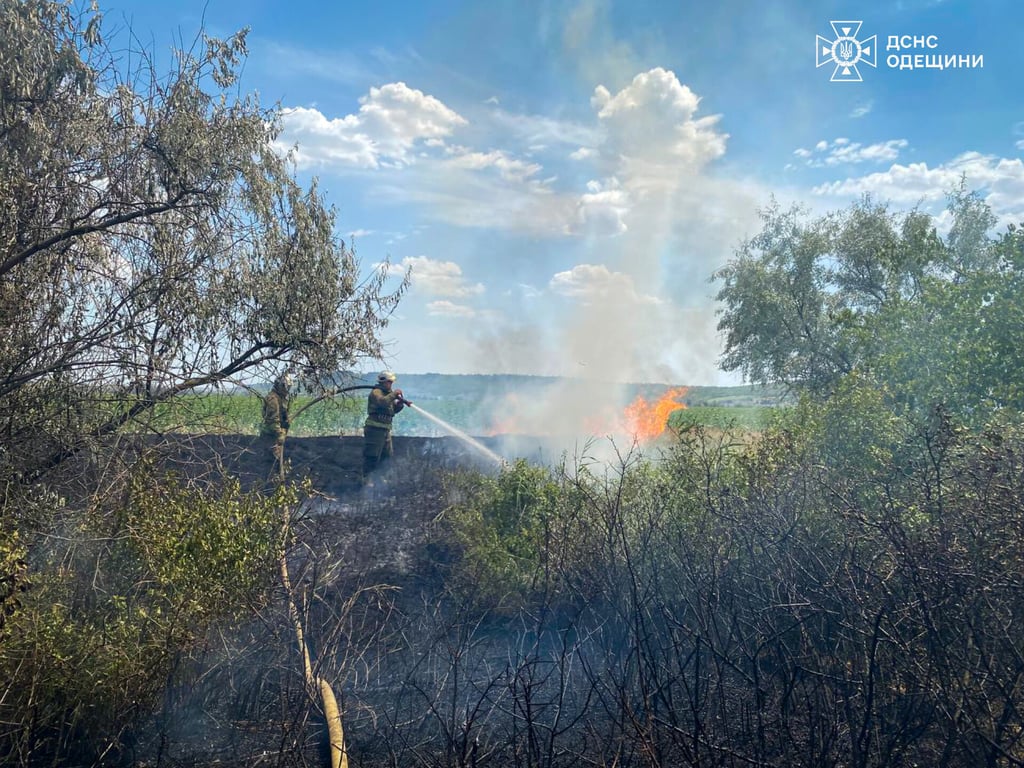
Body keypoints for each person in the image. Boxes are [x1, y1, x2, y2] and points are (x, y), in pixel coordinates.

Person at [362, 371, 406, 485]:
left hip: (385, 430)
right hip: (374, 430)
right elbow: (383, 403)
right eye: (389, 382)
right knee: (372, 455)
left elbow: (391, 411)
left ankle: (379, 478)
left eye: (391, 382)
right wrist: (394, 394)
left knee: (386, 456)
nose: (391, 385)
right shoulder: (376, 393)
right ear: (383, 381)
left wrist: (399, 405)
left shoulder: (388, 395)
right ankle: (367, 479)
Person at [261, 374, 292, 479]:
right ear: (280, 386)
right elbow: (273, 421)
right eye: (286, 387)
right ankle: (273, 479)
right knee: (273, 460)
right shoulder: (273, 399)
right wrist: (280, 435)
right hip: (270, 436)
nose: (287, 390)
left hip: (274, 435)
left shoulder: (280, 398)